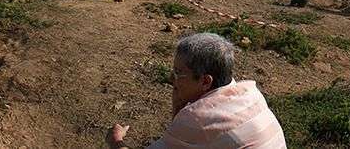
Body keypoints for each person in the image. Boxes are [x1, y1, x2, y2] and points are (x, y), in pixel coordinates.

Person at [105, 33, 287, 149]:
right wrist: (179, 106)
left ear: (205, 81)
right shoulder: (251, 93)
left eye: (178, 72)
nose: (172, 79)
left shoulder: (199, 118)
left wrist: (116, 140)